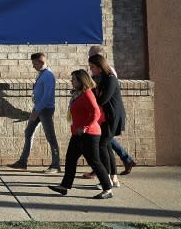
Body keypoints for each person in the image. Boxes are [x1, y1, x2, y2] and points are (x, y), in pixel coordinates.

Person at [47, 69, 114, 199]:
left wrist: (85, 126)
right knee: (70, 159)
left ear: (81, 80)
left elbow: (96, 112)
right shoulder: (79, 94)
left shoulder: (88, 94)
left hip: (89, 134)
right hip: (78, 134)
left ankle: (108, 189)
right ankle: (64, 186)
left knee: (94, 162)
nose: (71, 81)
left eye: (73, 79)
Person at [8, 52, 61, 173]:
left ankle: (55, 165)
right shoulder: (41, 74)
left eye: (34, 63)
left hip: (45, 110)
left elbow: (47, 96)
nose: (33, 66)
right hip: (38, 108)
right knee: (28, 132)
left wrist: (37, 111)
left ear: (41, 62)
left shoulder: (48, 75)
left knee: (50, 136)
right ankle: (22, 162)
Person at [88, 53, 127, 188]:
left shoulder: (110, 79)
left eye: (92, 66)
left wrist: (91, 95)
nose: (91, 69)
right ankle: (113, 178)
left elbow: (103, 100)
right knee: (107, 146)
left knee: (102, 146)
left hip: (112, 117)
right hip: (104, 116)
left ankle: (107, 180)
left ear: (99, 66)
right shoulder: (99, 78)